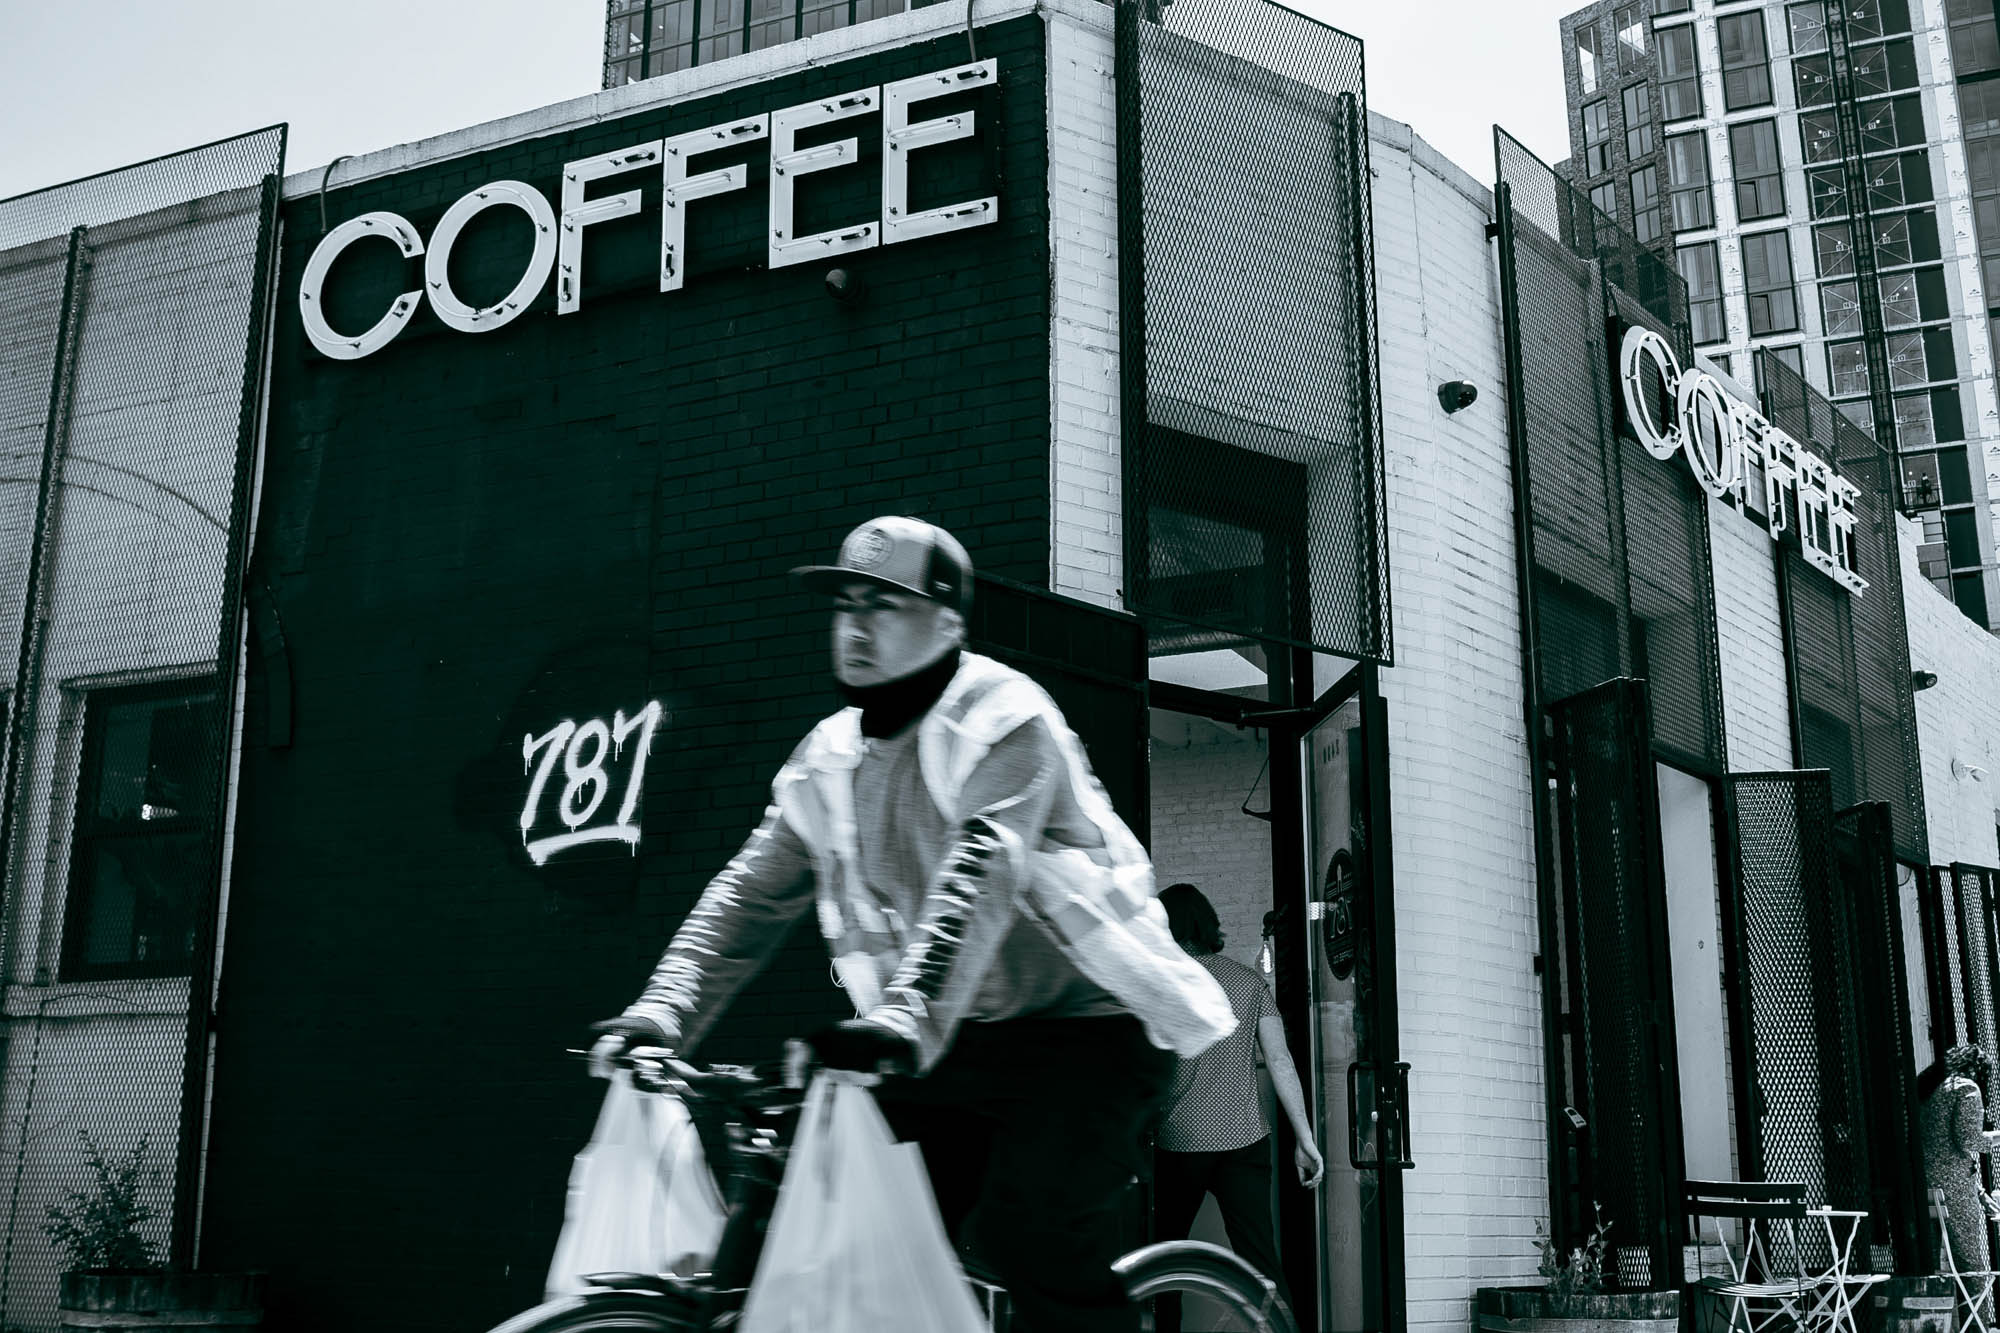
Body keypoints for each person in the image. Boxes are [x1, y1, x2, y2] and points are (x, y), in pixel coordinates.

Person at [589, 516, 1235, 1333]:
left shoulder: (1003, 716)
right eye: (844, 604)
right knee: (818, 1208)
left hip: (1094, 1031)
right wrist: (662, 1012)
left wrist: (902, 1017)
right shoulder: (830, 758)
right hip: (962, 1038)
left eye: (884, 605)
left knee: (1027, 1229)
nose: (856, 625)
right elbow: (746, 895)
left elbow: (981, 867)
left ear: (950, 622)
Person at [1151, 883, 1324, 1333]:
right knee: (1260, 1261)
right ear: (1208, 925)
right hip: (1244, 1140)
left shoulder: (1160, 984)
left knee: (1163, 1258)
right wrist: (1305, 1139)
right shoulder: (1249, 983)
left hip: (1178, 1141)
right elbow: (1281, 1060)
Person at [1921, 1043, 2000, 1274]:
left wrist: (1979, 1192)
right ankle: (1980, 1311)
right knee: (1969, 1260)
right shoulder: (1966, 1088)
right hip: (1954, 1186)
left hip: (1930, 1183)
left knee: (1941, 1263)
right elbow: (1969, 1140)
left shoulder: (1933, 1089)